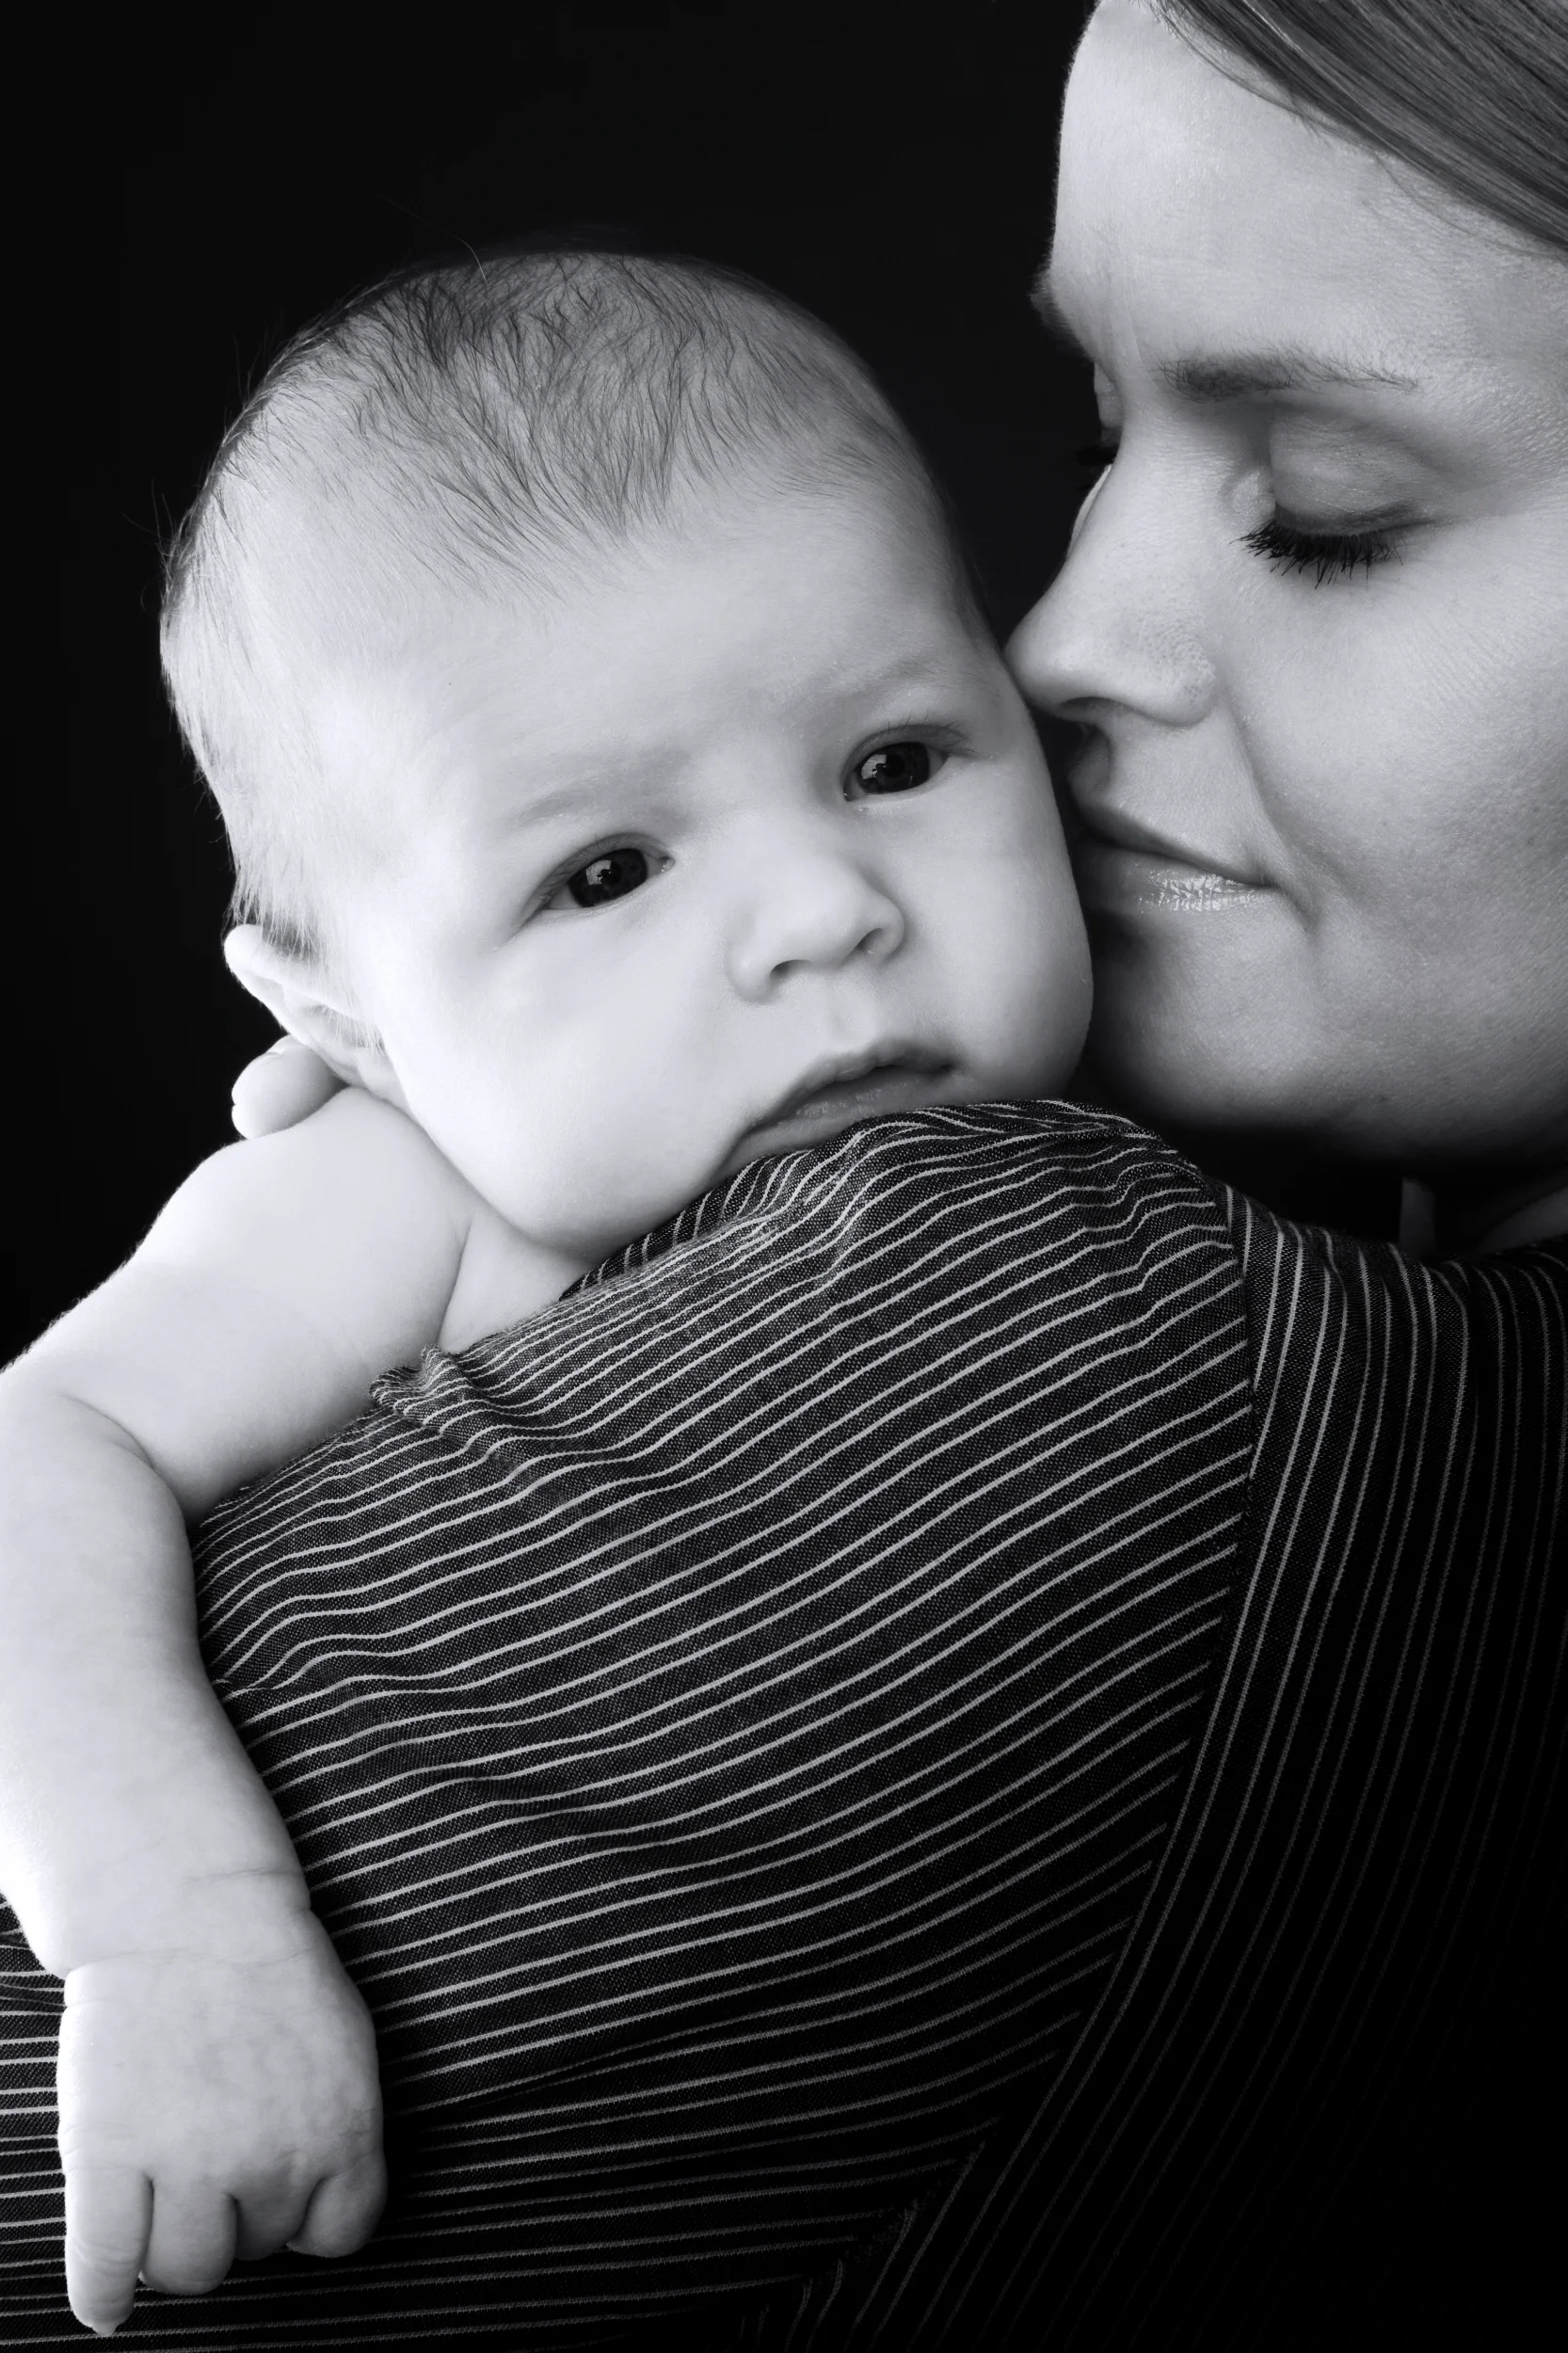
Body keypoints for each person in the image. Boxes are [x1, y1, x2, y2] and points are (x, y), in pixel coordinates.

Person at [2, 0, 1562, 2345]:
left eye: (894, 754)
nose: (824, 903)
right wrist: (170, 1917)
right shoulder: (385, 1186)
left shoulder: (1139, 1342)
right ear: (326, 1015)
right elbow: (35, 1447)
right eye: (606, 868)